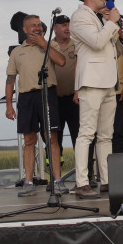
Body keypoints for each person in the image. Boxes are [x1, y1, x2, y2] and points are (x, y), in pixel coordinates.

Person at [70, 0, 123, 198]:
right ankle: (82, 182)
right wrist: (112, 23)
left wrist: (120, 36)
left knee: (106, 135)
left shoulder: (100, 17)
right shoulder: (80, 16)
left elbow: (113, 50)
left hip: (107, 81)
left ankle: (107, 180)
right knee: (86, 133)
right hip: (91, 81)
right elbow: (95, 43)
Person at [5, 15, 68, 196]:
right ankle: (28, 181)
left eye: (39, 25)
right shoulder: (17, 52)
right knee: (29, 140)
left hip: (47, 94)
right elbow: (10, 80)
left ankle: (57, 181)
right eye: (32, 26)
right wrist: (9, 105)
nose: (37, 28)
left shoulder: (50, 45)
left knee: (52, 138)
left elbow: (61, 61)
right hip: (26, 97)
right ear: (24, 30)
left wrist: (43, 43)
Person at [50, 16, 80, 155]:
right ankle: (56, 173)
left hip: (75, 99)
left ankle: (86, 172)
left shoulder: (77, 44)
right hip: (55, 100)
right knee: (55, 139)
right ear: (55, 28)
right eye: (63, 25)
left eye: (68, 24)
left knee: (79, 137)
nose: (67, 28)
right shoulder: (48, 46)